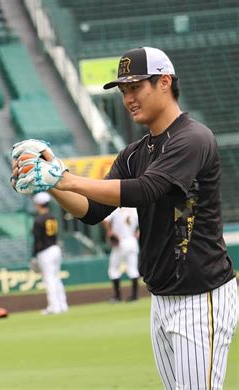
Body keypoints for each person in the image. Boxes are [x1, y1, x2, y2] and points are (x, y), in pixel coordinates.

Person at [12, 47, 237, 389]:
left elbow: (146, 189)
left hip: (200, 295)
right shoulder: (135, 152)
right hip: (162, 296)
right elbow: (94, 211)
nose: (128, 97)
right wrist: (47, 181)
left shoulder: (193, 138)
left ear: (164, 82)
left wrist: (63, 177)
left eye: (136, 87)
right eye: (123, 91)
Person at [32, 192, 68, 315]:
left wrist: (34, 256)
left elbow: (37, 240)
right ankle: (63, 304)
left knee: (49, 279)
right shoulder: (52, 217)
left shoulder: (38, 220)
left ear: (38, 204)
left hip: (45, 251)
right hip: (55, 248)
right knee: (56, 277)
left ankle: (54, 306)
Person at [101, 207, 140, 302]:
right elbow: (145, 222)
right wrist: (138, 232)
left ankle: (117, 296)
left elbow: (104, 220)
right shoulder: (134, 210)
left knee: (113, 269)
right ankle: (134, 296)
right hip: (132, 241)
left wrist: (110, 232)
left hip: (120, 242)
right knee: (133, 269)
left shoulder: (116, 209)